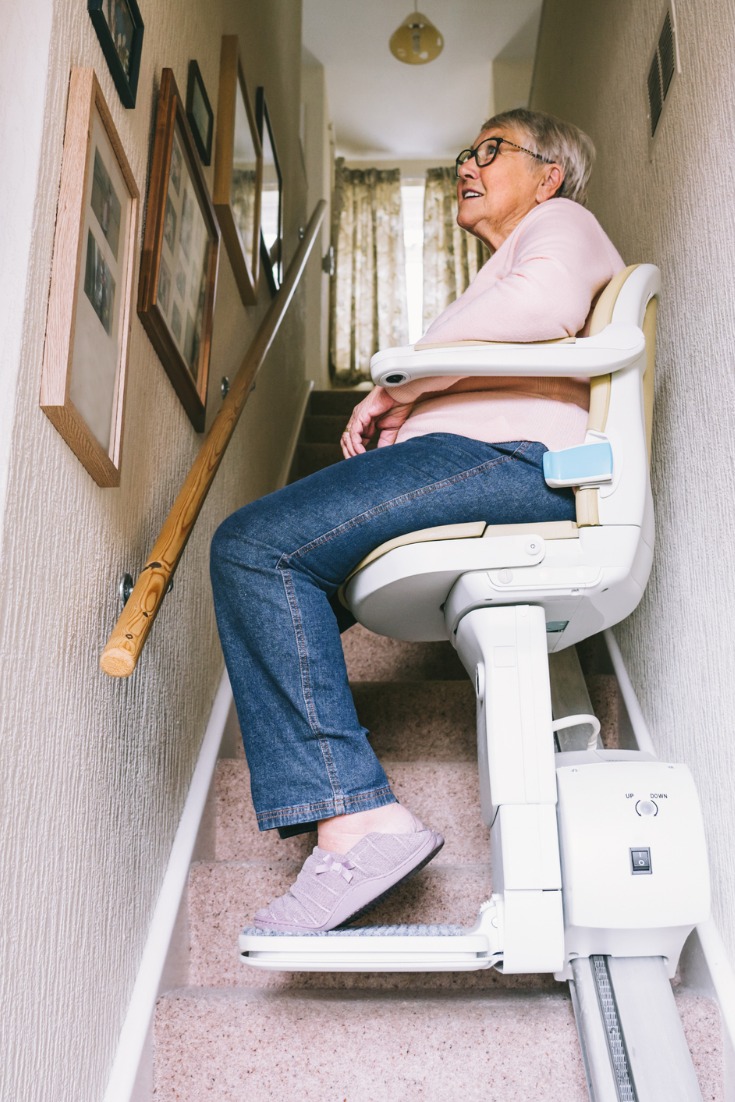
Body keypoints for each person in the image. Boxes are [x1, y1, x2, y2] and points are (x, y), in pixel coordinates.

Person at [210, 108, 624, 934]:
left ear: (547, 174)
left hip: (510, 461)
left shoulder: (560, 223)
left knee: (255, 546)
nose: (466, 166)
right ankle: (342, 809)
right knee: (283, 578)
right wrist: (407, 405)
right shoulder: (512, 254)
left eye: (490, 150)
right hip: (494, 458)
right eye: (464, 153)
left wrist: (400, 385)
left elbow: (541, 306)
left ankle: (357, 820)